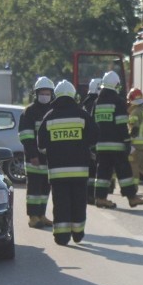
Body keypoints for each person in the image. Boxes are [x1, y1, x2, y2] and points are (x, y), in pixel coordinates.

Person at [36, 80, 98, 245]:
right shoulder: (82, 115)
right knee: (79, 202)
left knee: (61, 204)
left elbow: (41, 146)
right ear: (73, 95)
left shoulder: (49, 117)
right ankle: (78, 233)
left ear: (55, 95)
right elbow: (94, 138)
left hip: (57, 172)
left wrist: (54, 150)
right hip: (80, 171)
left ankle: (62, 237)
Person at [92, 70, 143, 209]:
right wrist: (127, 142)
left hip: (101, 145)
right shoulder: (118, 101)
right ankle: (132, 197)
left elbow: (92, 123)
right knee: (124, 171)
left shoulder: (97, 102)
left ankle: (100, 198)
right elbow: (122, 125)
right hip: (116, 145)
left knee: (103, 172)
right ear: (116, 85)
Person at [19, 76, 55, 228]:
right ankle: (33, 217)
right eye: (43, 93)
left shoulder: (53, 110)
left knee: (45, 190)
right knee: (34, 189)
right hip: (34, 158)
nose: (45, 96)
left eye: (47, 93)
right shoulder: (29, 112)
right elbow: (26, 136)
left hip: (49, 158)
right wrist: (33, 154)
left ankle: (41, 215)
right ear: (37, 93)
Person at [81, 78, 101, 204]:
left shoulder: (85, 103)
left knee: (89, 170)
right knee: (94, 170)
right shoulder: (96, 103)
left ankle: (88, 195)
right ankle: (91, 195)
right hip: (94, 141)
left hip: (84, 141)